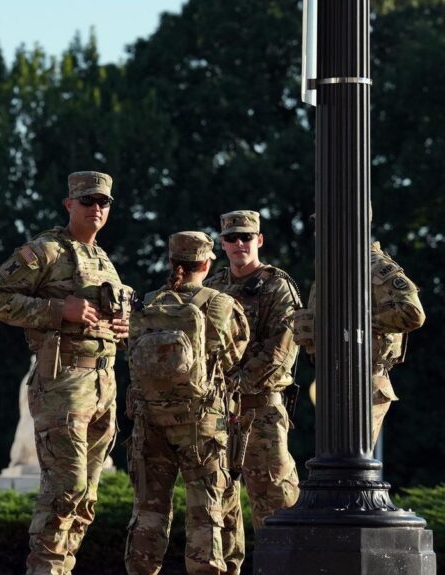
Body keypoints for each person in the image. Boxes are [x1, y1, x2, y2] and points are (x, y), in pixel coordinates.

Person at [0, 171, 132, 575]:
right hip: (63, 383)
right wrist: (55, 310)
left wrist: (122, 327)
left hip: (103, 384)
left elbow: (107, 317)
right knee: (65, 489)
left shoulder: (103, 258)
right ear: (69, 204)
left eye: (103, 203)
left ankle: (60, 568)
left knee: (86, 497)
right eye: (88, 201)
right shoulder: (45, 250)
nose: (96, 209)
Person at [124, 231, 250, 575]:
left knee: (148, 510)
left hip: (149, 420)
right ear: (207, 263)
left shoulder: (147, 303)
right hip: (201, 424)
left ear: (171, 263)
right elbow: (233, 357)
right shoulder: (221, 304)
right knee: (205, 511)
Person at [202, 210, 302, 572]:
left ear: (259, 240)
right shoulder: (212, 287)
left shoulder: (277, 285)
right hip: (217, 415)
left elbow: (280, 351)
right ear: (222, 243)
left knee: (275, 505)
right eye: (231, 238)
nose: (239, 244)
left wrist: (231, 384)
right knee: (220, 506)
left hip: (260, 410)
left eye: (247, 237)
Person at [292, 237, 425, 442]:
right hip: (333, 381)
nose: (321, 231)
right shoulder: (330, 268)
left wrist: (355, 322)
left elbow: (413, 313)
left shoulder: (374, 264)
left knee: (349, 460)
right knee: (331, 461)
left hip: (365, 383)